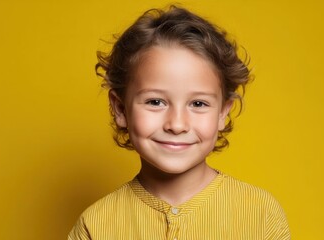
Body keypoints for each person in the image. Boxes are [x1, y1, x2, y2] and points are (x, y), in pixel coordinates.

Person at [68, 5, 290, 240]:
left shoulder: (260, 214)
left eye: (198, 104)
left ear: (223, 113)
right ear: (121, 108)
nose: (176, 124)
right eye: (155, 102)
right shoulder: (95, 224)